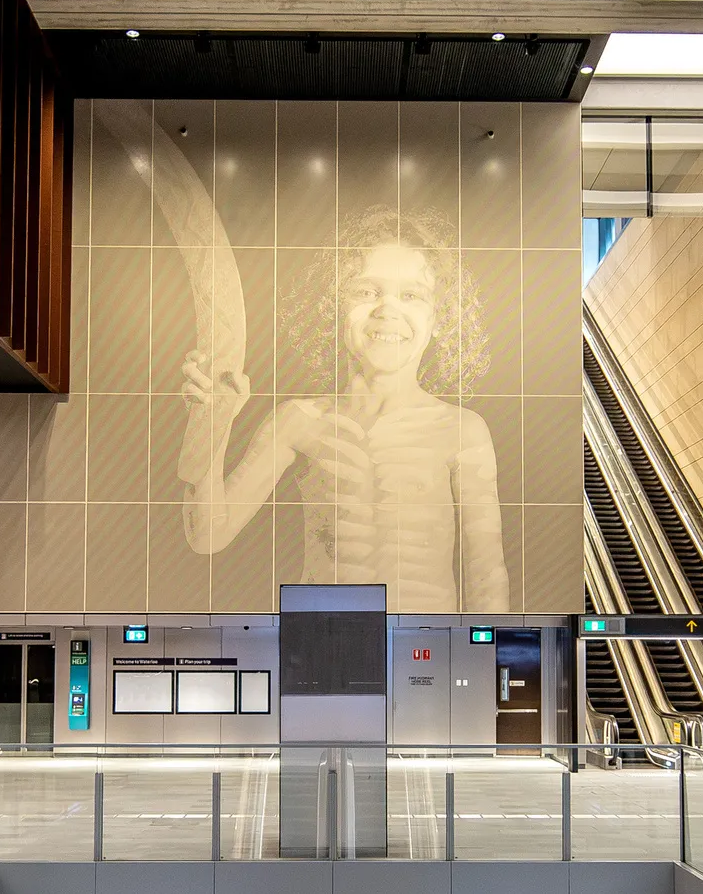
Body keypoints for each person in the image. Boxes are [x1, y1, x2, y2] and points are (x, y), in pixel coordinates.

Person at [178, 208, 511, 613]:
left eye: (411, 295)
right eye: (366, 291)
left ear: (440, 318)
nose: (386, 310)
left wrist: (481, 663)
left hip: (422, 653)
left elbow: (486, 577)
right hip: (320, 645)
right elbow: (207, 534)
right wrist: (213, 422)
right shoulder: (299, 421)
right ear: (334, 308)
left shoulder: (462, 430)